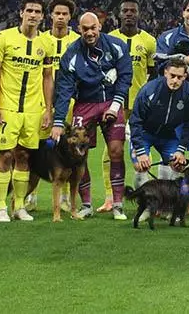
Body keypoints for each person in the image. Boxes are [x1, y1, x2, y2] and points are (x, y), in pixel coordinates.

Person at [51, 12, 133, 221]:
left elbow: (125, 77)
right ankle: (86, 204)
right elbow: (64, 90)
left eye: (93, 28)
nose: (89, 32)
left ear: (99, 27)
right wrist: (58, 122)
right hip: (84, 105)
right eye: (85, 29)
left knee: (116, 150)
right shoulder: (71, 54)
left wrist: (115, 106)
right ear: (79, 29)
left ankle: (117, 204)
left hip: (111, 102)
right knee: (78, 153)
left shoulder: (116, 46)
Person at [0, 0, 53, 222]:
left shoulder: (46, 43)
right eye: (29, 10)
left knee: (24, 156)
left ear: (42, 16)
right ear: (21, 13)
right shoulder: (4, 38)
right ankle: (0, 207)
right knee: (6, 155)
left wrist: (48, 109)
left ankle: (19, 206)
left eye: (37, 11)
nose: (33, 15)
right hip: (8, 107)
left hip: (33, 110)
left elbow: (47, 77)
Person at [102, 0, 157, 212]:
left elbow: (152, 72)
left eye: (133, 11)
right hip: (114, 105)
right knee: (111, 151)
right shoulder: (108, 38)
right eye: (125, 11)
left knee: (142, 150)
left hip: (138, 107)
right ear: (119, 14)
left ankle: (146, 196)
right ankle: (109, 197)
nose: (129, 14)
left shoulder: (149, 41)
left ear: (139, 14)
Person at [28, 0, 80, 213]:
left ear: (70, 17)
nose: (60, 17)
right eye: (57, 13)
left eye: (64, 14)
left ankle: (66, 198)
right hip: (43, 104)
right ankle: (31, 196)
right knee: (39, 149)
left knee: (69, 151)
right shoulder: (40, 40)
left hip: (71, 104)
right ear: (50, 15)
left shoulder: (78, 41)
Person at [129, 59, 189, 184]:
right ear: (165, 73)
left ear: (185, 77)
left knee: (178, 166)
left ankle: (166, 195)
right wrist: (140, 151)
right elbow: (135, 121)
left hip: (168, 136)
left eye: (179, 77)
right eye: (172, 76)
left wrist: (180, 150)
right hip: (144, 134)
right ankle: (143, 196)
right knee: (141, 166)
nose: (175, 80)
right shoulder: (149, 90)